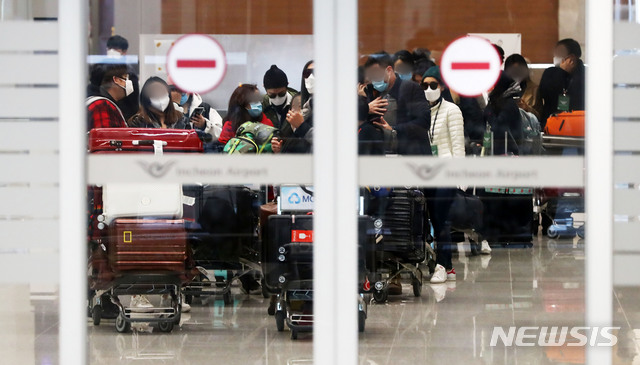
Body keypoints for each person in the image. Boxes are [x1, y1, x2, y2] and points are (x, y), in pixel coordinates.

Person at [363, 51, 431, 155]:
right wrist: (367, 109)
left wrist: (394, 129)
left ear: (389, 70)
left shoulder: (410, 88)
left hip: (411, 154)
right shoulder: (375, 93)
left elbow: (424, 122)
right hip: (386, 154)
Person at [536, 38, 585, 127]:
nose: (555, 57)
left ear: (571, 58)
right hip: (551, 124)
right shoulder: (550, 73)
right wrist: (560, 72)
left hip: (578, 126)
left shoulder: (586, 76)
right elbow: (543, 94)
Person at [271, 61, 314, 154]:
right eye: (307, 73)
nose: (310, 77)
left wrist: (302, 126)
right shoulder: (306, 107)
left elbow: (329, 141)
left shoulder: (330, 107)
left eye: (315, 72)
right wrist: (279, 149)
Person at [484, 73, 523, 155]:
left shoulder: (508, 104)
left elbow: (498, 126)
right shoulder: (498, 102)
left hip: (507, 151)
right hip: (502, 149)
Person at [105, 35, 140, 121]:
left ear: (124, 52)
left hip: (124, 117)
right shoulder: (101, 70)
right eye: (110, 48)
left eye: (116, 49)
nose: (112, 51)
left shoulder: (130, 73)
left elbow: (133, 103)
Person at [86, 64, 131, 130]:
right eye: (125, 78)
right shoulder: (102, 106)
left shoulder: (100, 103)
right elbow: (105, 138)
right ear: (115, 80)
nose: (129, 82)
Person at [504, 54, 540, 119]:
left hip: (527, 126)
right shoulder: (502, 89)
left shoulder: (534, 89)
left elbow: (540, 116)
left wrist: (527, 108)